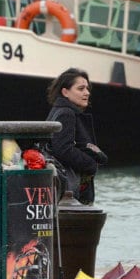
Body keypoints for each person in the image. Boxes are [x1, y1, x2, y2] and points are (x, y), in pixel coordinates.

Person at [44, 68, 107, 205]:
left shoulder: (58, 111)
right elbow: (63, 149)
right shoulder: (66, 114)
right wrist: (90, 164)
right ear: (65, 92)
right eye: (81, 89)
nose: (87, 93)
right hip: (69, 193)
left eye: (87, 88)